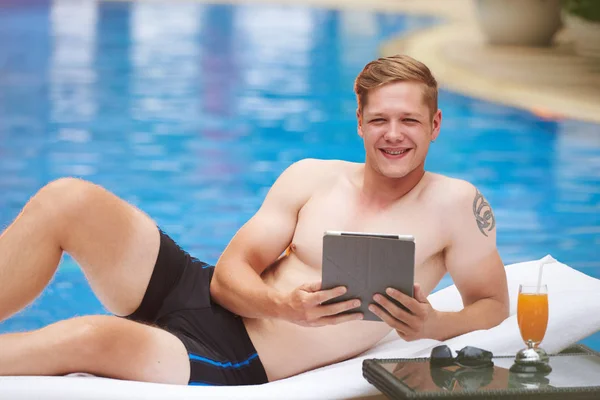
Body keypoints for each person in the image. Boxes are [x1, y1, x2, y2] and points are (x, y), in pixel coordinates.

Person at [0, 54, 509, 387]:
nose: (393, 135)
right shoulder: (311, 177)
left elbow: (492, 305)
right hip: (198, 291)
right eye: (379, 119)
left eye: (409, 121)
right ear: (359, 122)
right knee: (67, 199)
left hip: (238, 357)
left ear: (435, 125)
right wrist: (285, 305)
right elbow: (227, 276)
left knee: (91, 337)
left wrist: (434, 324)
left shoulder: (458, 207)